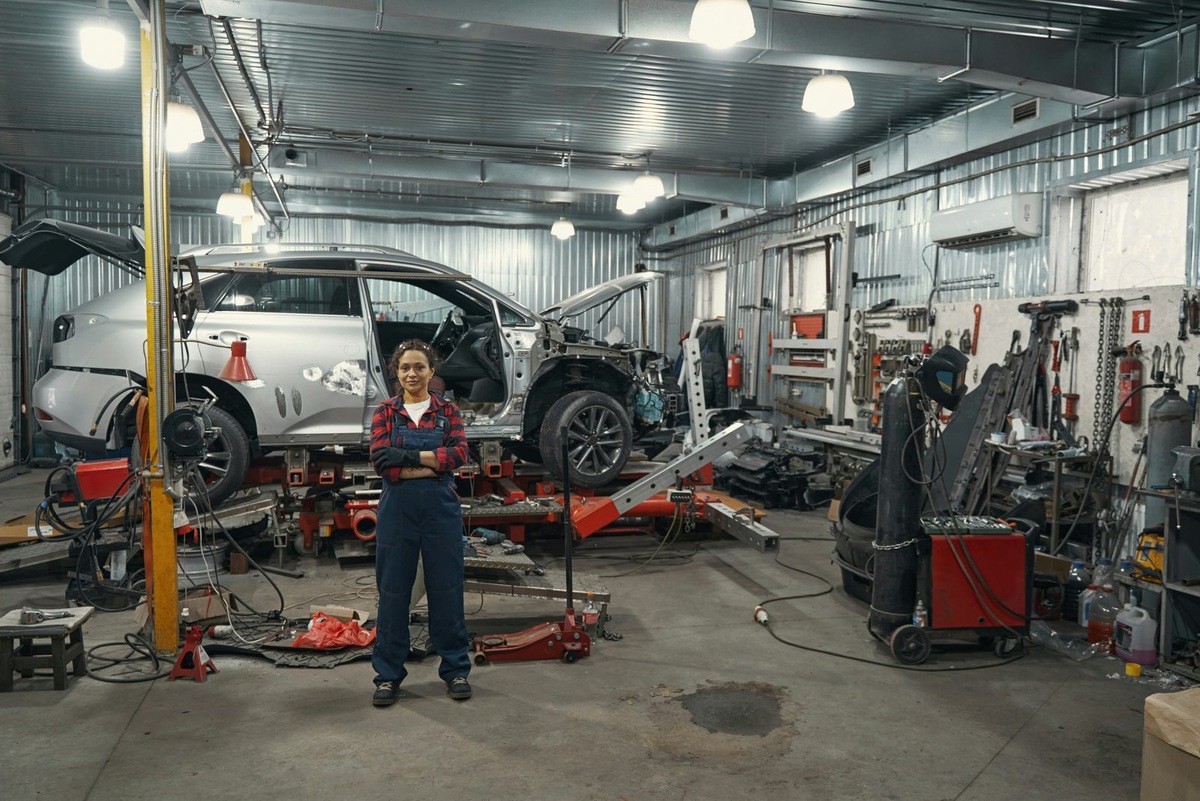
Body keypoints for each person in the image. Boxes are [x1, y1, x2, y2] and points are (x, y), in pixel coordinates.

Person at [369, 339, 471, 707]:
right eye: (405, 368)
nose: (412, 373)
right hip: (397, 510)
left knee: (447, 589)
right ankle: (388, 675)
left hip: (440, 509)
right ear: (396, 373)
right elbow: (382, 462)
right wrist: (431, 462)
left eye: (419, 367)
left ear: (431, 371)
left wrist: (408, 457)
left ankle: (456, 669)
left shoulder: (448, 411)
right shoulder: (385, 412)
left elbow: (458, 454)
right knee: (393, 593)